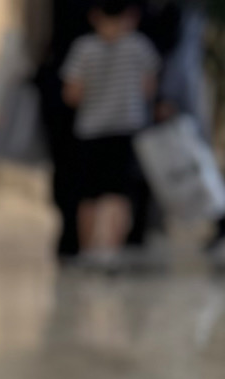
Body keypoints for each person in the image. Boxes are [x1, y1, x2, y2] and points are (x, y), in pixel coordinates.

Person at [62, 0, 160, 269]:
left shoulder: (83, 48)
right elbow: (149, 88)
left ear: (95, 16)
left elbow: (72, 93)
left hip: (91, 129)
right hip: (127, 126)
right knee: (119, 193)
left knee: (89, 194)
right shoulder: (139, 47)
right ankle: (111, 250)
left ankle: (87, 249)